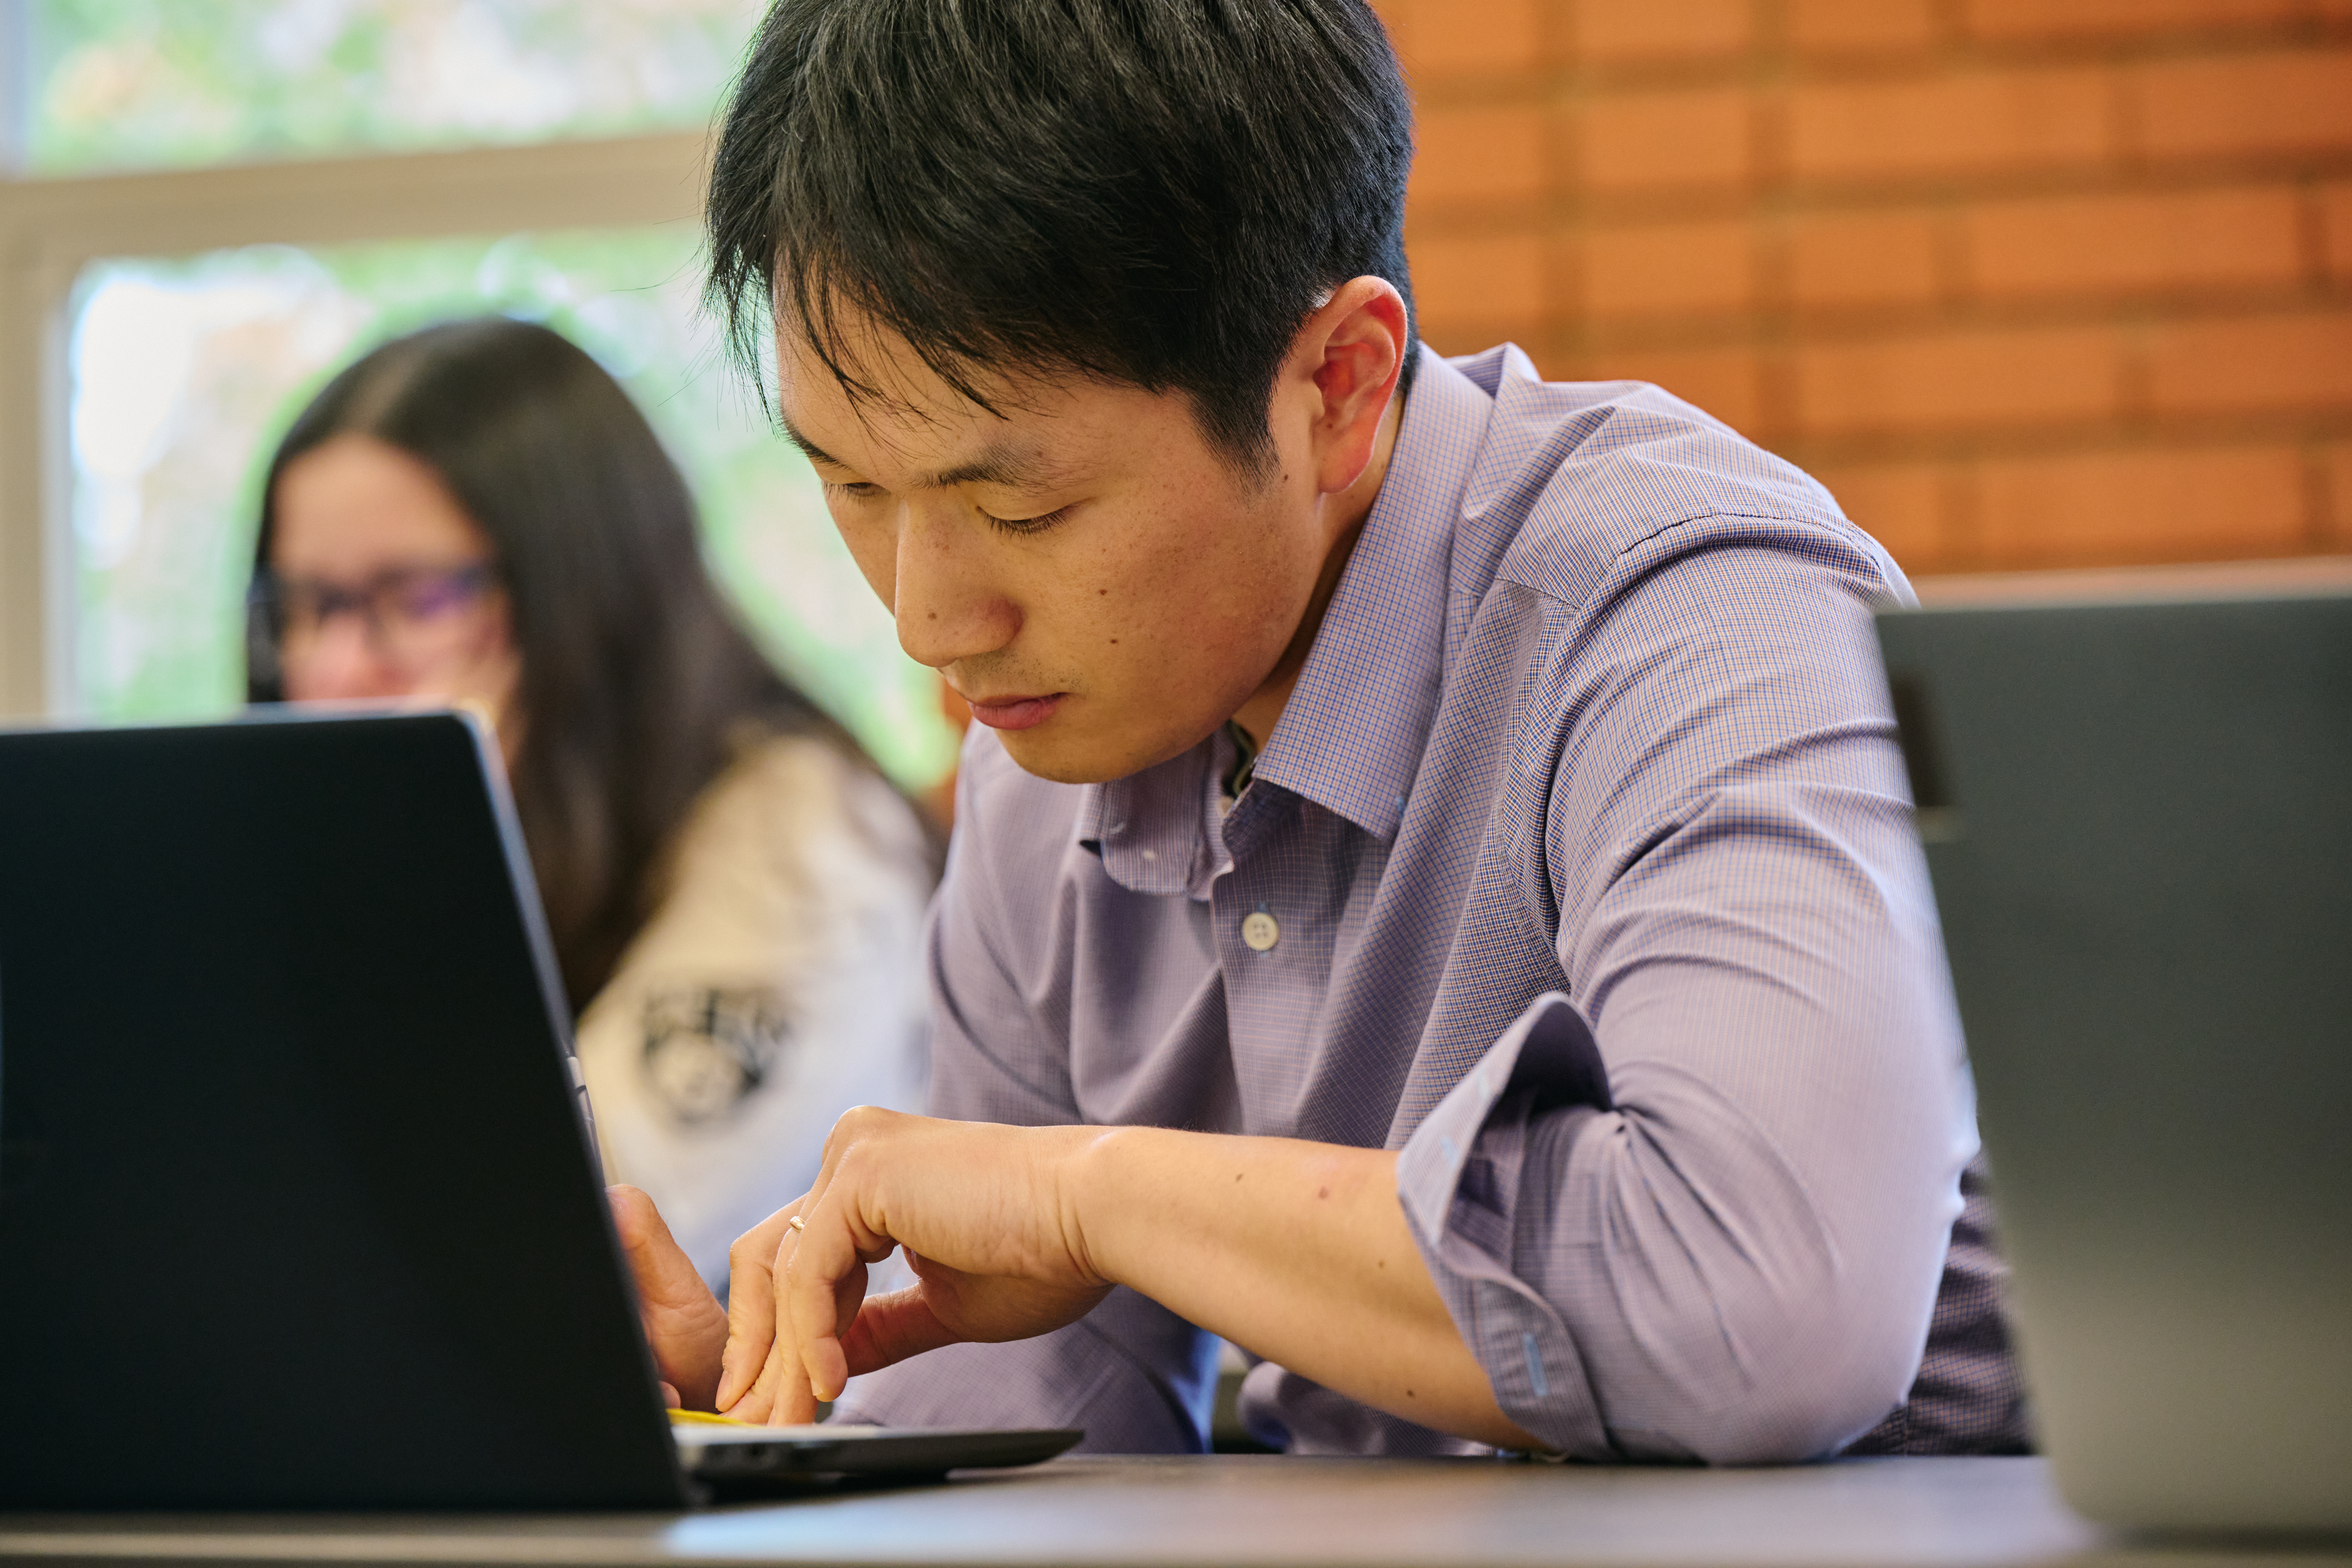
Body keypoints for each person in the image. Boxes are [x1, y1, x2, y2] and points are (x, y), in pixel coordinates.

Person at [612, 0, 2030, 1461]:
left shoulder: (1695, 610)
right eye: (852, 488)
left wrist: (1088, 1194)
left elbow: (1767, 1317)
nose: (929, 623)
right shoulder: (1047, 762)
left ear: (1338, 384)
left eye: (1021, 508)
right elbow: (1042, 1434)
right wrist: (771, 1412)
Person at [246, 317, 936, 1287]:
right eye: (307, 606)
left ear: (579, 589)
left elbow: (553, 1246)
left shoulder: (801, 840)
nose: (336, 666)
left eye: (414, 598)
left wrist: (433, 857)